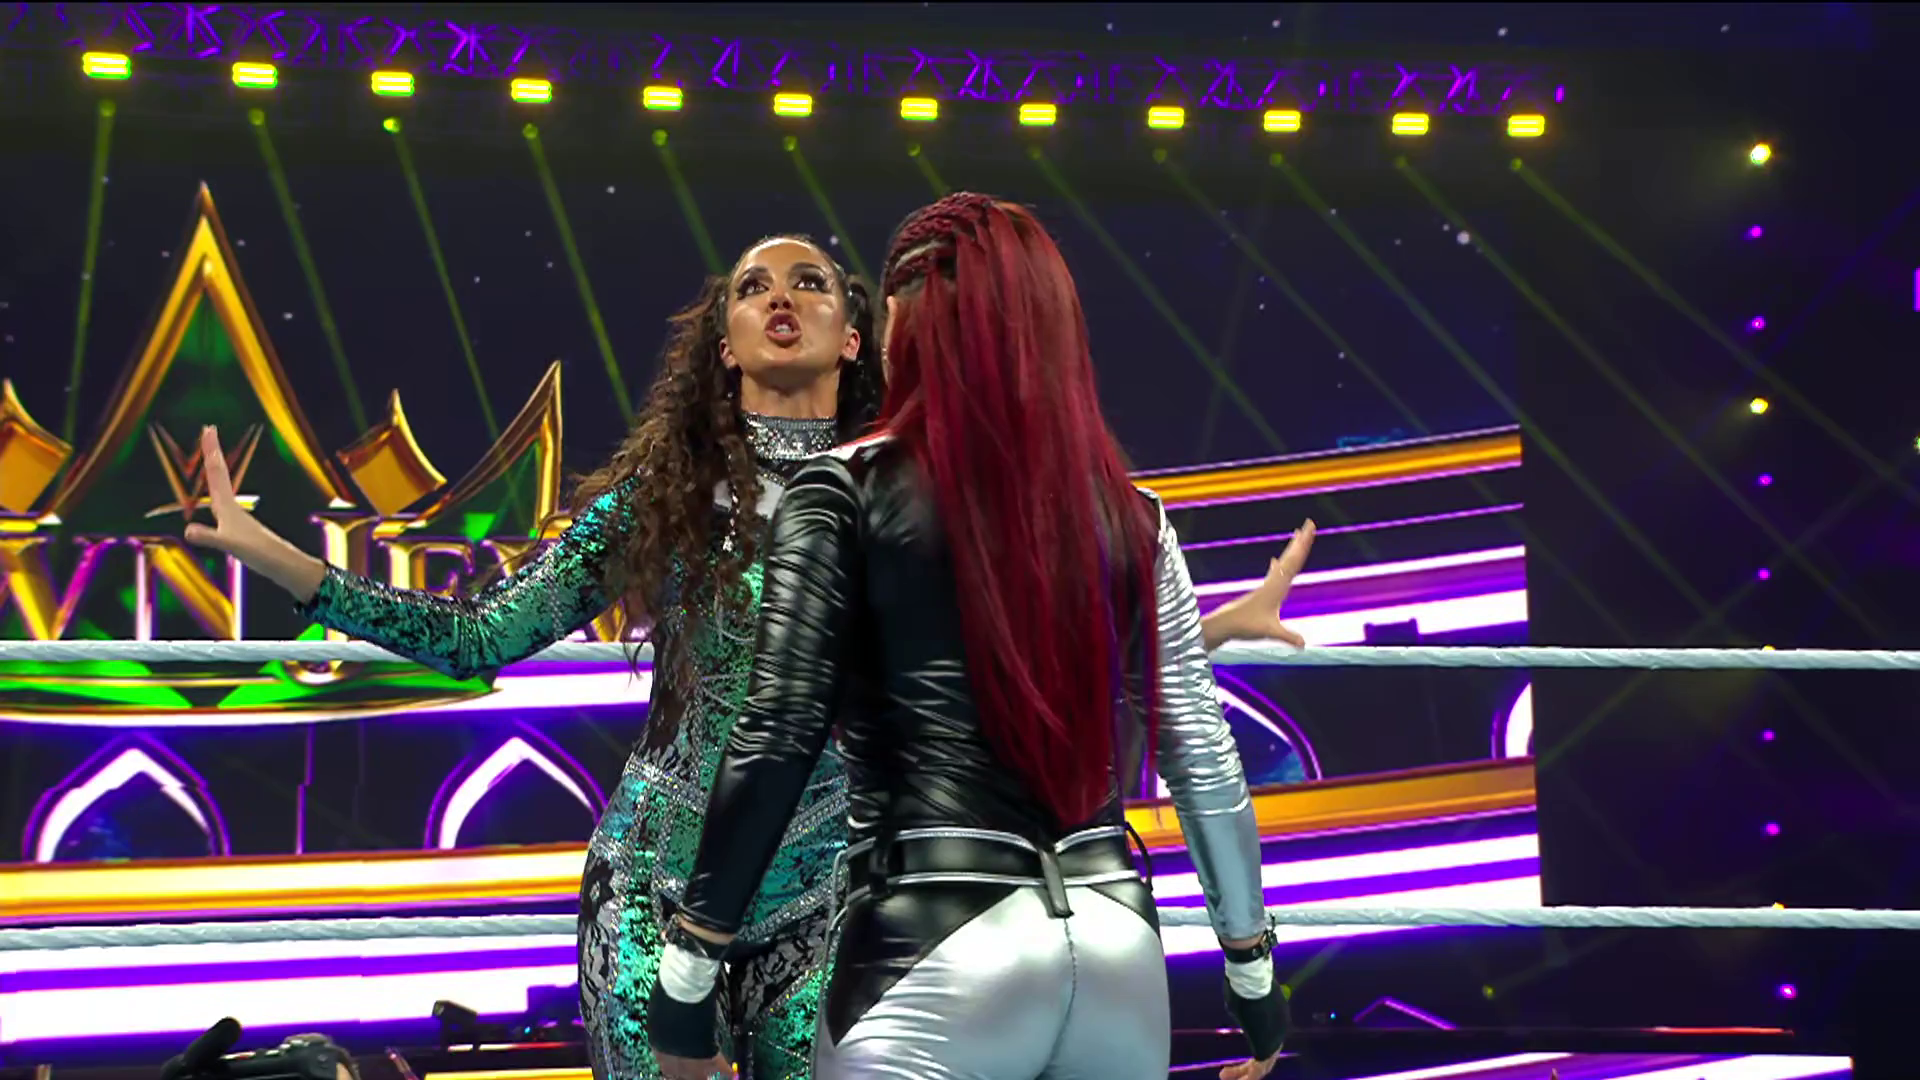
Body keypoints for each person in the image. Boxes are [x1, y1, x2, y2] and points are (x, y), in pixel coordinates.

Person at [184, 230, 1306, 1080]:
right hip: (657, 888)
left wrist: (1199, 632)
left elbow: (999, 657)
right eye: (753, 287)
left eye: (810, 282)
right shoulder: (660, 501)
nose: (781, 298)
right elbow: (477, 637)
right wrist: (280, 561)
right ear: (722, 343)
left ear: (858, 335)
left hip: (835, 899)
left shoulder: (910, 497)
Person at [645, 193, 1303, 1080]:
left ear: (904, 322)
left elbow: (779, 734)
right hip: (1117, 946)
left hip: (933, 946)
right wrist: (1253, 976)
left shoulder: (841, 490)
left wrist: (687, 976)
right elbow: (1200, 754)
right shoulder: (1132, 516)